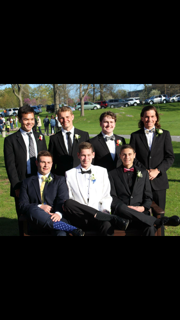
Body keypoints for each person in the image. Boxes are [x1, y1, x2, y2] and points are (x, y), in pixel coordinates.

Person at [109, 145, 180, 236]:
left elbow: (148, 196)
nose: (127, 157)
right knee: (121, 207)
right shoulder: (112, 174)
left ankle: (154, 221)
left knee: (150, 228)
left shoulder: (143, 173)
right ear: (120, 155)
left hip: (141, 214)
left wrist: (142, 208)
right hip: (122, 216)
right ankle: (157, 221)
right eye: (124, 154)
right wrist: (126, 208)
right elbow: (112, 197)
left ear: (134, 155)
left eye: (130, 154)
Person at [64, 142, 129, 236]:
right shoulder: (69, 174)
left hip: (98, 217)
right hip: (79, 218)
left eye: (88, 155)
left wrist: (105, 211)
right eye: (83, 155)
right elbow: (70, 198)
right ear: (78, 155)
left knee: (107, 226)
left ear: (93, 155)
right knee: (68, 203)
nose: (86, 159)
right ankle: (111, 217)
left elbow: (106, 196)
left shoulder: (102, 171)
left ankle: (106, 217)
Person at [4, 104, 47, 236]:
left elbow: (45, 159)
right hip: (22, 182)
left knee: (41, 213)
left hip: (39, 180)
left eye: (32, 119)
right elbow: (10, 165)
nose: (29, 122)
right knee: (23, 216)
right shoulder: (10, 140)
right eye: (26, 119)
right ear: (19, 119)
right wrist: (16, 186)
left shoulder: (40, 136)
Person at [19, 151, 84, 236]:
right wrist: (40, 206)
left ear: (52, 164)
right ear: (37, 163)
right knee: (32, 209)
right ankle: (71, 228)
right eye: (43, 162)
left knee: (61, 234)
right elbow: (22, 205)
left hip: (56, 217)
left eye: (48, 162)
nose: (46, 165)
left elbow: (62, 200)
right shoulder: (26, 182)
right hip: (36, 220)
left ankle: (62, 226)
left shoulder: (59, 180)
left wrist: (58, 213)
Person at [130, 105, 175, 213]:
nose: (149, 119)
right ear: (142, 118)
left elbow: (170, 157)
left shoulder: (165, 134)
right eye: (146, 116)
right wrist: (144, 171)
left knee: (159, 216)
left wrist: (157, 170)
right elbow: (132, 158)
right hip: (141, 182)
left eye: (152, 116)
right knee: (142, 215)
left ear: (156, 118)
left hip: (159, 182)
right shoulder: (135, 136)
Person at [49, 106, 90, 176]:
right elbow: (51, 160)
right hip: (62, 177)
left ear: (72, 117)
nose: (65, 120)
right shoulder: (54, 138)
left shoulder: (84, 135)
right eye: (62, 118)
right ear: (58, 119)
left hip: (81, 175)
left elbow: (90, 157)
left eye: (67, 117)